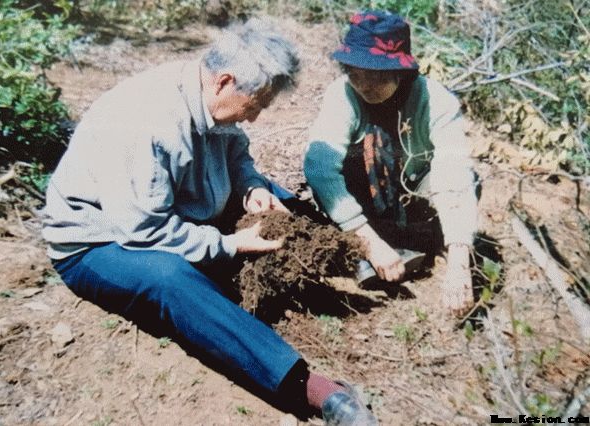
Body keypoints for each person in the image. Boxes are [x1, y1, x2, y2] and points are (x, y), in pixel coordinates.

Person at [41, 19, 377, 426]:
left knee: (277, 200)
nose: (252, 118)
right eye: (255, 105)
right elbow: (143, 231)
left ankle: (348, 261)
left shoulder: (208, 93)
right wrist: (231, 245)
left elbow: (236, 155)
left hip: (179, 205)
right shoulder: (146, 122)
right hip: (100, 241)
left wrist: (251, 185)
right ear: (225, 82)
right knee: (170, 279)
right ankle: (311, 389)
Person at [304, 11, 478, 315]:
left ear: (400, 71)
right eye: (356, 75)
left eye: (376, 76)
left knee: (466, 178)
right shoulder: (342, 95)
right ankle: (364, 243)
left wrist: (460, 264)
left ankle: (426, 239)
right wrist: (369, 242)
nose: (364, 86)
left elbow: (455, 176)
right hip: (363, 198)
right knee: (345, 162)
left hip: (413, 192)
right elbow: (319, 166)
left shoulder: (437, 102)